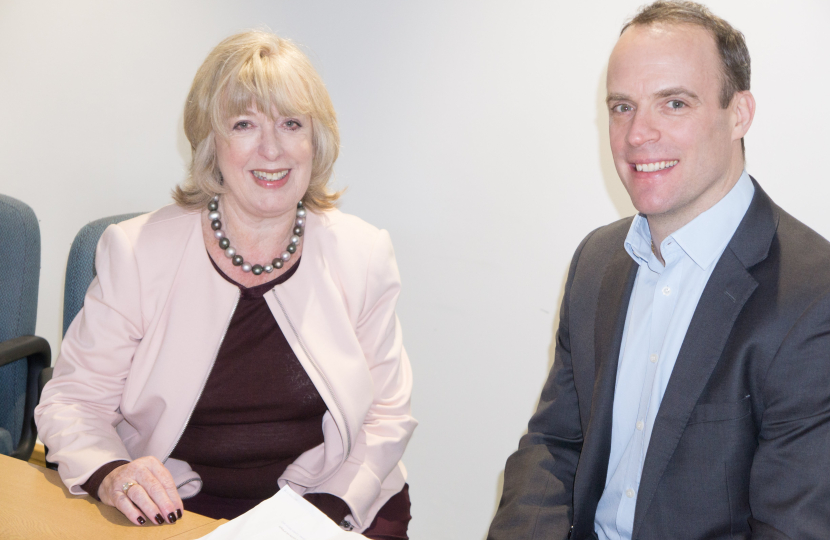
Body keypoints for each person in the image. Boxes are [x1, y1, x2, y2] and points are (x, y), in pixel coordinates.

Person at [35, 30, 416, 539]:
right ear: (211, 143)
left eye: (290, 124)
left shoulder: (362, 253)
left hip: (331, 500)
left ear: (314, 140)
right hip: (180, 507)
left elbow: (388, 414)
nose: (272, 148)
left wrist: (321, 512)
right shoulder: (137, 251)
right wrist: (114, 474)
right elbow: (74, 402)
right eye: (244, 124)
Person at [488, 2, 830, 539]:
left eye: (673, 103)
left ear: (739, 113)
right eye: (622, 107)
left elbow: (795, 527)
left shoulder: (813, 296)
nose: (637, 134)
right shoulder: (595, 263)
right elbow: (553, 448)